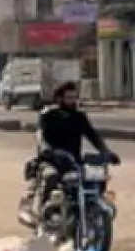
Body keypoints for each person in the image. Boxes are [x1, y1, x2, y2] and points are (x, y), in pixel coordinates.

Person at [19, 82, 120, 226]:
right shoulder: (49, 115)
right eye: (69, 98)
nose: (72, 101)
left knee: (96, 179)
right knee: (51, 176)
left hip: (73, 162)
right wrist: (47, 149)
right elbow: (40, 135)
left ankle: (90, 208)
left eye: (74, 97)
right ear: (59, 99)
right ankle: (46, 217)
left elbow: (92, 135)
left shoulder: (79, 116)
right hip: (51, 160)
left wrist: (106, 152)